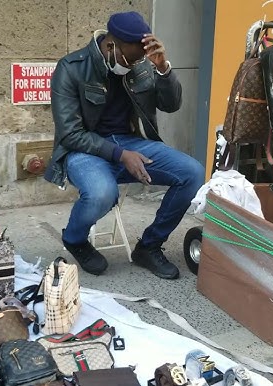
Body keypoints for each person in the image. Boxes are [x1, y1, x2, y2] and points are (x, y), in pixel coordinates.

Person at [45, 11, 205, 280]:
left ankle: (149, 246)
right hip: (84, 149)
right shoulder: (71, 68)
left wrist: (163, 68)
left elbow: (171, 104)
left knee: (193, 173)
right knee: (101, 193)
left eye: (140, 59)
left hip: (131, 142)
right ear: (111, 46)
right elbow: (71, 134)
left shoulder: (141, 64)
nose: (135, 65)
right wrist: (121, 155)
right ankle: (75, 239)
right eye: (131, 58)